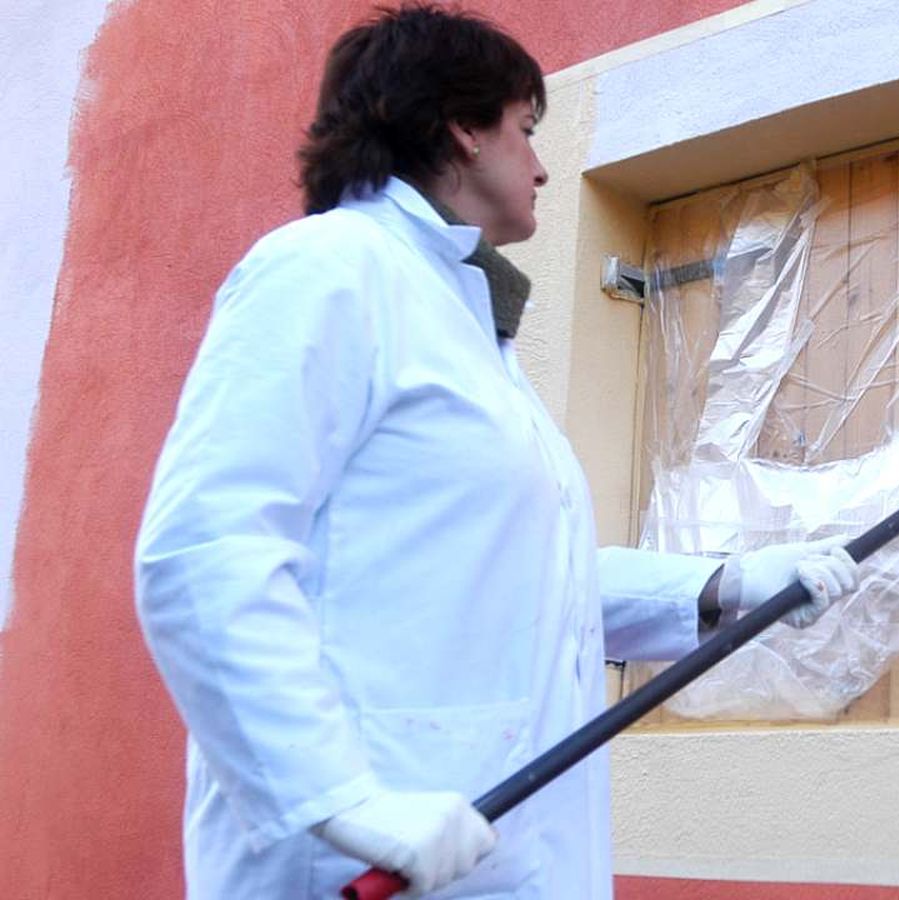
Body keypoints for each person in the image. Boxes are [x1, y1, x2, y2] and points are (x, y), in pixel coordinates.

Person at [133, 5, 859, 897]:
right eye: (527, 128)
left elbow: (519, 581)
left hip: (497, 858)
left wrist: (721, 585)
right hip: (359, 865)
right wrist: (337, 796)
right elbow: (205, 554)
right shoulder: (326, 269)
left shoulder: (465, 322)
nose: (545, 163)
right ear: (464, 130)